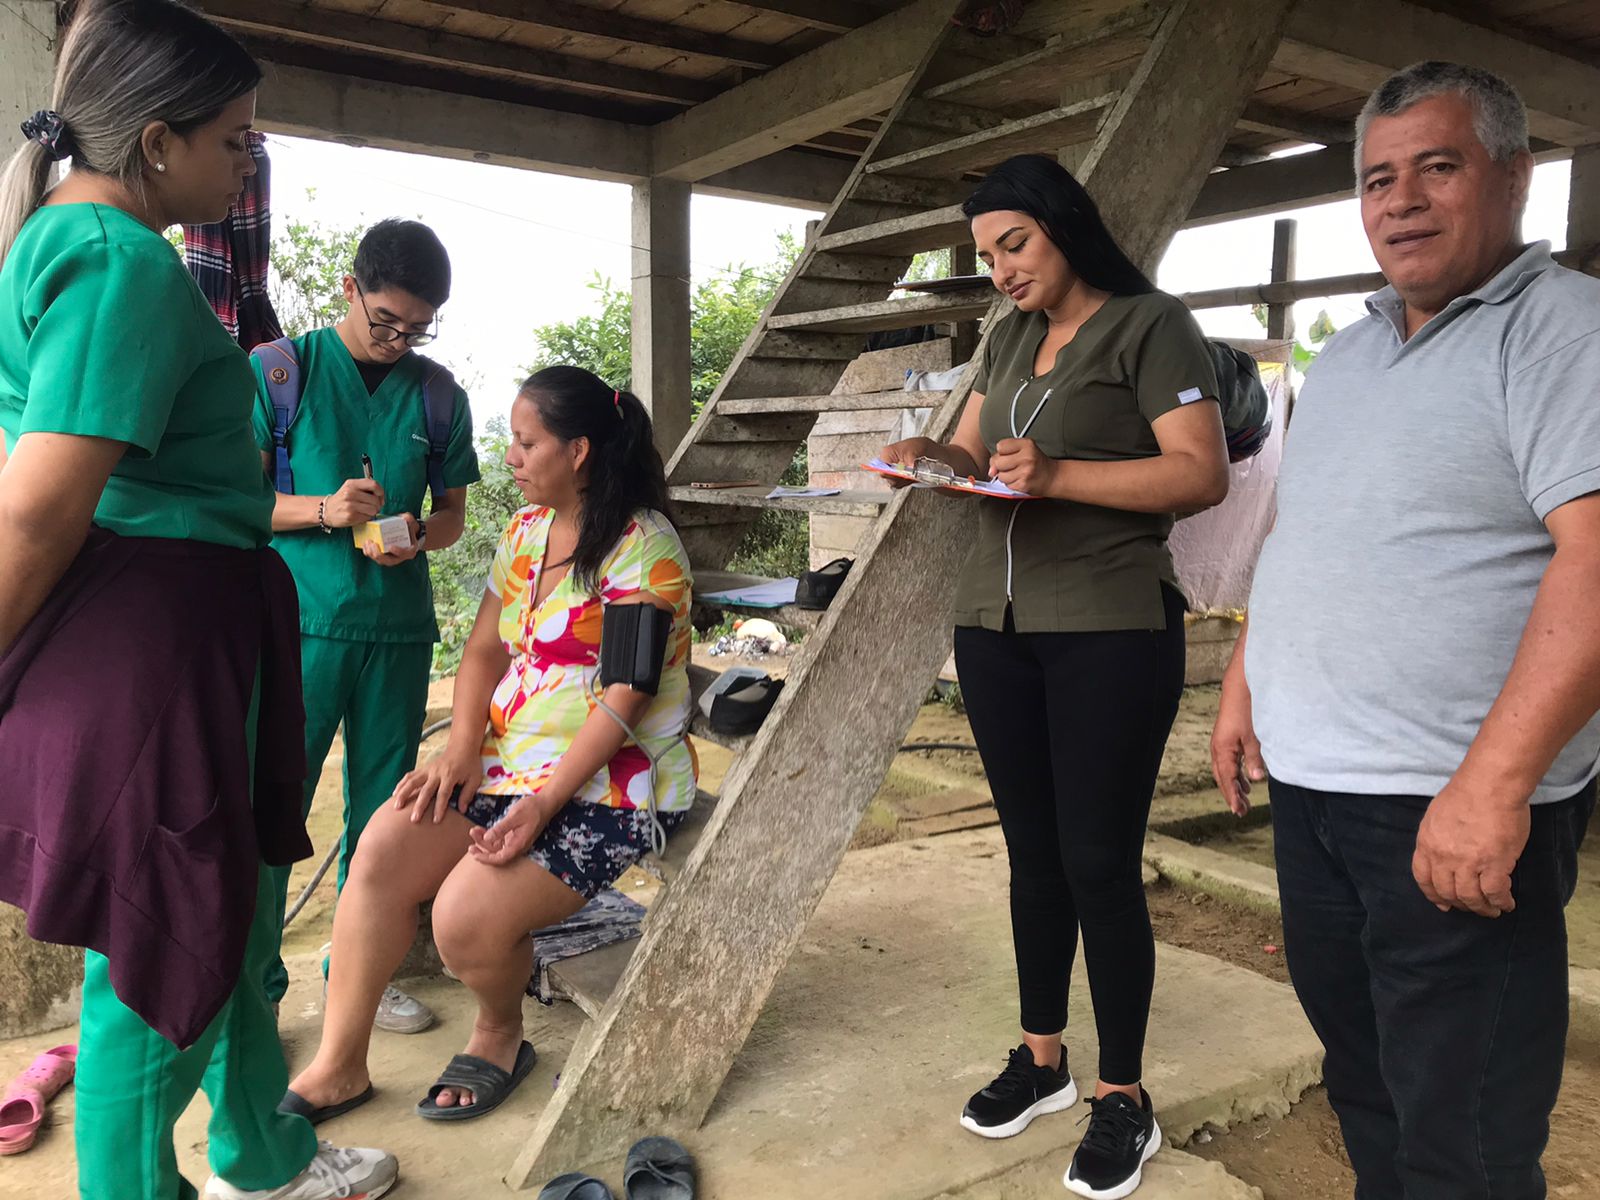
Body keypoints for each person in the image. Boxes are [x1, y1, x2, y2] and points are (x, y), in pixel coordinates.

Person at [0, 2, 395, 1197]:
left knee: (224, 916)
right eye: (235, 140)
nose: (248, 166)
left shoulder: (71, 241)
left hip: (185, 626)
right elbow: (37, 510)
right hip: (154, 643)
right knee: (160, 941)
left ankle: (262, 1155)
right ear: (157, 143)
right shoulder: (119, 262)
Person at [1211, 61, 1600, 1200]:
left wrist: (1492, 789)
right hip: (1316, 791)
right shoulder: (1349, 352)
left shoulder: (1565, 331)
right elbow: (1306, 537)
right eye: (1379, 178)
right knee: (1369, 1085)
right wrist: (1245, 684)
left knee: (1462, 1137)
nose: (1402, 201)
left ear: (1514, 177)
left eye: (1438, 166)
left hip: (1449, 803)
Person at [882, 153, 1229, 1198]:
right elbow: (970, 456)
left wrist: (1062, 474)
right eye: (987, 255)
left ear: (1064, 226)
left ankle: (1123, 1094)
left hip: (1109, 627)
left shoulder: (1150, 325)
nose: (1000, 271)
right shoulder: (1009, 336)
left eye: (1014, 244)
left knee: (1097, 862)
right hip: (995, 624)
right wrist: (924, 458)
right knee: (1033, 854)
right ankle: (1042, 1060)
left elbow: (1200, 472)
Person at [280, 365, 697, 1123]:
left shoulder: (643, 546)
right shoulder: (526, 532)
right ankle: (339, 1065)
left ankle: (500, 1030)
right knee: (381, 847)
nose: (510, 456)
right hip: (507, 767)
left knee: (463, 918)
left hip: (609, 786)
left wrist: (541, 805)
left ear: (577, 451)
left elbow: (625, 698)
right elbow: (482, 652)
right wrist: (461, 749)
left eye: (526, 442)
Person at [251, 218, 480, 1032]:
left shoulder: (439, 395)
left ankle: (359, 972)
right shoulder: (279, 373)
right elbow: (237, 500)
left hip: (397, 630)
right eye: (386, 321)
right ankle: (255, 990)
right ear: (350, 289)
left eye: (418, 328)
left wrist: (417, 532)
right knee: (276, 803)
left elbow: (452, 516)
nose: (399, 340)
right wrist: (324, 509)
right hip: (300, 626)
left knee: (384, 814)